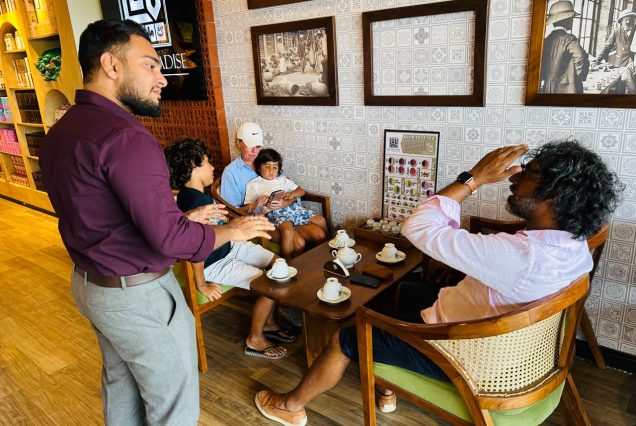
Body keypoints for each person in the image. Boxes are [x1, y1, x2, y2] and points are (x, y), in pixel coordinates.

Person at [253, 141, 624, 426]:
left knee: (347, 336)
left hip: (467, 356)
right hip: (517, 351)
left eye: (528, 173)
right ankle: (387, 388)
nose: (513, 177)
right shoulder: (576, 246)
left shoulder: (518, 256)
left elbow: (417, 228)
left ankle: (290, 405)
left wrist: (473, 178)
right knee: (394, 293)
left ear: (553, 195)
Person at [38, 19, 274, 426]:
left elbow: (103, 215)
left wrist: (180, 217)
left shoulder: (62, 131)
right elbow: (169, 239)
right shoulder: (126, 137)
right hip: (137, 296)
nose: (161, 78)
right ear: (111, 65)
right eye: (150, 65)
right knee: (173, 408)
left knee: (122, 386)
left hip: (92, 285)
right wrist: (232, 229)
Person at [165, 138, 297, 360]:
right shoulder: (194, 203)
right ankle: (254, 340)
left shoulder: (198, 194)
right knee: (273, 282)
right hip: (214, 263)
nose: (213, 167)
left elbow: (218, 227)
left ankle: (269, 322)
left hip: (229, 246)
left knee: (279, 264)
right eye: (207, 162)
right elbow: (196, 247)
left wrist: (243, 222)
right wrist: (201, 284)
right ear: (193, 166)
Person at [244, 148, 328, 258]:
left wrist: (292, 194)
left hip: (294, 209)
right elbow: (248, 208)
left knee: (321, 220)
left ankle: (329, 248)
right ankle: (287, 262)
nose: (271, 170)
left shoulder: (282, 179)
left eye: (275, 167)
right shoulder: (254, 184)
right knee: (288, 231)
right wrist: (258, 203)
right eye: (267, 166)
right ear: (259, 167)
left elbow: (301, 191)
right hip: (276, 213)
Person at [540, 1, 589, 93]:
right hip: (568, 89)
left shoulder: (546, 40)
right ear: (565, 20)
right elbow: (580, 57)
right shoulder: (569, 39)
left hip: (548, 87)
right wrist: (579, 76)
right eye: (571, 19)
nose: (572, 21)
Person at [220, 122, 264, 209]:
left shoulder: (267, 163)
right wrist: (254, 206)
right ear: (239, 143)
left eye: (258, 146)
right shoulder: (230, 172)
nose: (254, 151)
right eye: (250, 145)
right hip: (249, 216)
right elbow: (231, 210)